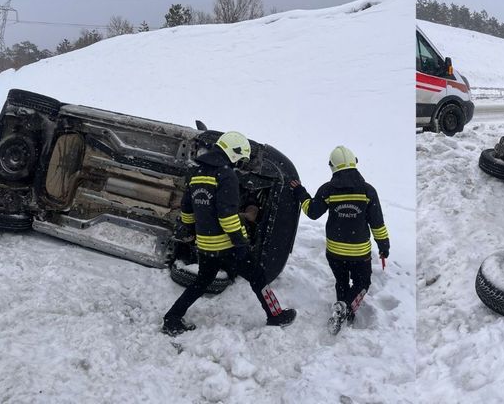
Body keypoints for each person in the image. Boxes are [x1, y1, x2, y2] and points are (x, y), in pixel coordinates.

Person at [162, 131, 296, 336]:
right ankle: (275, 315)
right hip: (227, 245)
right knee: (257, 276)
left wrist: (190, 231)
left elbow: (187, 210)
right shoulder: (226, 176)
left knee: (201, 282)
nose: (240, 164)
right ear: (234, 153)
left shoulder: (196, 174)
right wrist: (240, 243)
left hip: (206, 245)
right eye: (241, 158)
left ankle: (172, 317)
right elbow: (227, 216)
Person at [290, 145, 389, 333]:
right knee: (362, 283)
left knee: (341, 282)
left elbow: (312, 212)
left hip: (335, 252)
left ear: (332, 166)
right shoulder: (368, 192)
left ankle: (342, 309)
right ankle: (347, 308)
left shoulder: (328, 190)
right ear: (355, 163)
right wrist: (384, 246)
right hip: (359, 253)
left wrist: (300, 192)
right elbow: (377, 223)